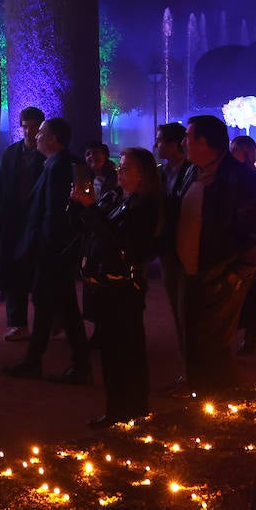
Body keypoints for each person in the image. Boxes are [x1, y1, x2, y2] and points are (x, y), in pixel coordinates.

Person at [174, 115, 256, 395]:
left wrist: (235, 274)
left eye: (188, 137)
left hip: (221, 273)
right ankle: (200, 395)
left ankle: (223, 403)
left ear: (205, 143)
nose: (183, 142)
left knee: (213, 343)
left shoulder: (243, 179)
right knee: (193, 337)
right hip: (191, 269)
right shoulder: (192, 172)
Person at [71, 146, 162, 426]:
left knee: (126, 348)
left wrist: (91, 211)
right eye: (119, 166)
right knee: (111, 349)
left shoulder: (145, 207)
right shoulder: (114, 196)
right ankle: (118, 408)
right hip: (103, 282)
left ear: (143, 174)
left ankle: (130, 408)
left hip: (125, 286)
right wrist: (82, 206)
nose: (120, 172)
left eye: (126, 168)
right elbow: (92, 229)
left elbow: (122, 241)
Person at [2, 116, 92, 383]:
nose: (36, 136)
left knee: (51, 306)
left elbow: (53, 216)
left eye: (41, 132)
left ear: (53, 139)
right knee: (60, 308)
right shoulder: (58, 164)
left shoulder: (57, 167)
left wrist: (43, 249)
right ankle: (69, 363)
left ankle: (45, 362)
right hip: (55, 252)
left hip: (52, 253)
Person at [0, 106, 45, 342]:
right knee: (14, 275)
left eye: (33, 127)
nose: (28, 132)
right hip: (14, 223)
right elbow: (0, 185)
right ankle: (17, 322)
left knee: (39, 275)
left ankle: (46, 323)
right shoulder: (12, 153)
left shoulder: (47, 155)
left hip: (38, 223)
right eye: (25, 126)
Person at [154, 122, 195, 369]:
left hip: (185, 248)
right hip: (167, 249)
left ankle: (194, 369)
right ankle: (188, 365)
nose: (156, 145)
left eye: (159, 141)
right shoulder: (161, 172)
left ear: (173, 144)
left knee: (187, 311)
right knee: (176, 307)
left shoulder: (192, 172)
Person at [229, 135, 256, 354]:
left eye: (235, 149)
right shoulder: (231, 176)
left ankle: (250, 336)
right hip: (236, 242)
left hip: (251, 243)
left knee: (251, 293)